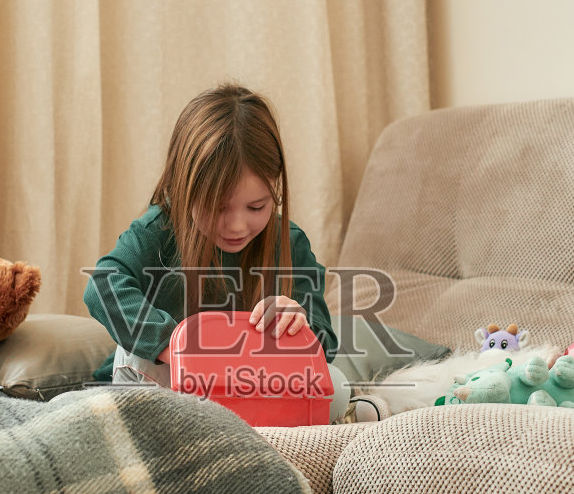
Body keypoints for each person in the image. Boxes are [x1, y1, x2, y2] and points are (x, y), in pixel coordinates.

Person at [83, 83, 384, 423]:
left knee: (336, 382)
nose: (237, 226)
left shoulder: (290, 242)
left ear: (275, 190)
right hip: (166, 387)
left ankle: (337, 416)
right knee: (133, 356)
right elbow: (102, 285)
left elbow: (324, 344)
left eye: (256, 207)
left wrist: (299, 324)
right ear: (183, 189)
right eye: (217, 207)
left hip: (247, 392)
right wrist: (174, 346)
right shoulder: (159, 229)